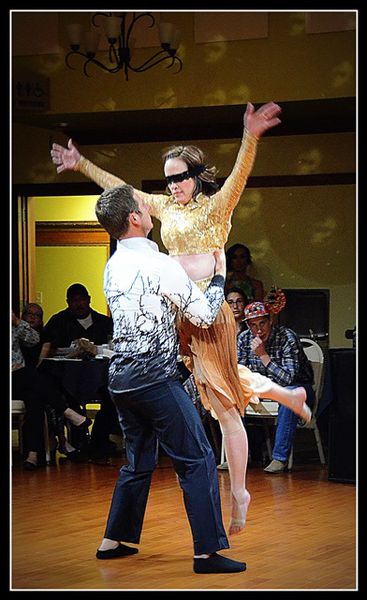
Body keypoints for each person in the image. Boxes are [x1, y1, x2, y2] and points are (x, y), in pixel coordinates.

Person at [51, 101, 310, 535]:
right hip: (178, 314)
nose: (172, 186)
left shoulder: (215, 208)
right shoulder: (163, 209)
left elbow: (239, 177)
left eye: (180, 177)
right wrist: (82, 165)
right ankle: (288, 396)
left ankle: (240, 492)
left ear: (195, 175)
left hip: (209, 313)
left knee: (224, 406)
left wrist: (250, 136)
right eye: (168, 178)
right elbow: (122, 191)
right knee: (217, 385)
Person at [93, 183, 246, 573]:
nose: (150, 209)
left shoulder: (113, 264)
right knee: (197, 458)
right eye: (144, 206)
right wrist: (218, 277)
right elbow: (204, 315)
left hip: (120, 379)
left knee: (138, 460)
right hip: (154, 378)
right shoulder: (159, 264)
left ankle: (114, 540)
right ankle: (207, 553)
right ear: (134, 218)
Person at [42, 284, 120, 461]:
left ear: (89, 299)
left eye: (82, 299)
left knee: (113, 396)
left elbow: (114, 347)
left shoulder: (105, 322)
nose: (79, 304)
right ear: (68, 302)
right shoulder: (58, 321)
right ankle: (78, 444)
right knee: (65, 396)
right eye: (74, 301)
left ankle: (99, 441)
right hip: (67, 376)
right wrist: (72, 350)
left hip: (101, 376)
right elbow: (50, 349)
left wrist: (95, 349)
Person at [237, 299, 315, 473]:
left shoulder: (287, 337)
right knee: (233, 394)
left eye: (262, 323)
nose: (259, 330)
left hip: (299, 390)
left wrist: (263, 355)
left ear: (270, 320)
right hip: (260, 388)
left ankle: (279, 458)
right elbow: (240, 372)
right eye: (253, 325)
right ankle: (237, 456)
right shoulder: (243, 339)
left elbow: (288, 379)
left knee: (288, 393)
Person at [12, 310, 89, 469]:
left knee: (35, 397)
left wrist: (17, 322)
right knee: (31, 374)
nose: (33, 317)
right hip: (17, 376)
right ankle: (67, 411)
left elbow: (34, 339)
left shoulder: (15, 328)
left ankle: (32, 454)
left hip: (20, 381)